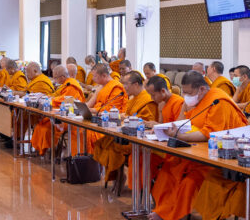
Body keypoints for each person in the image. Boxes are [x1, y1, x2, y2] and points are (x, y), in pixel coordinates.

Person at [150, 71, 248, 220]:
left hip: (223, 159)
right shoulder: (200, 100)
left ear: (202, 89)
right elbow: (184, 124)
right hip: (200, 152)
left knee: (190, 181)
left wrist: (180, 136)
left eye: (189, 93)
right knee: (169, 169)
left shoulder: (218, 101)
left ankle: (173, 214)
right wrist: (184, 106)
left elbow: (208, 133)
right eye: (184, 92)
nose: (186, 96)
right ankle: (163, 210)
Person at [93, 71, 157, 190]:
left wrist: (127, 118)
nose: (124, 87)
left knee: (112, 146)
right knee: (103, 142)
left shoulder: (147, 100)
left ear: (136, 84)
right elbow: (129, 115)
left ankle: (120, 177)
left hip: (137, 139)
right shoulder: (133, 99)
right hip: (125, 134)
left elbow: (147, 123)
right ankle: (117, 175)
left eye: (126, 84)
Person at [31, 65, 85, 156]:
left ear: (62, 77)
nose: (54, 80)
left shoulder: (72, 85)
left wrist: (51, 100)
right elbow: (58, 96)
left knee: (46, 127)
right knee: (41, 125)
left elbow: (65, 100)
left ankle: (48, 152)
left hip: (69, 118)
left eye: (55, 78)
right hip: (60, 114)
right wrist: (47, 98)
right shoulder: (65, 84)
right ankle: (40, 150)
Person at [85, 64, 128, 151]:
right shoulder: (101, 87)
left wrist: (92, 110)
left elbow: (112, 110)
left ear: (104, 75)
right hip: (97, 118)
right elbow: (90, 103)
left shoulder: (116, 87)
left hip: (110, 122)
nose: (92, 79)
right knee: (82, 128)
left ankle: (93, 157)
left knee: (89, 131)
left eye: (95, 76)